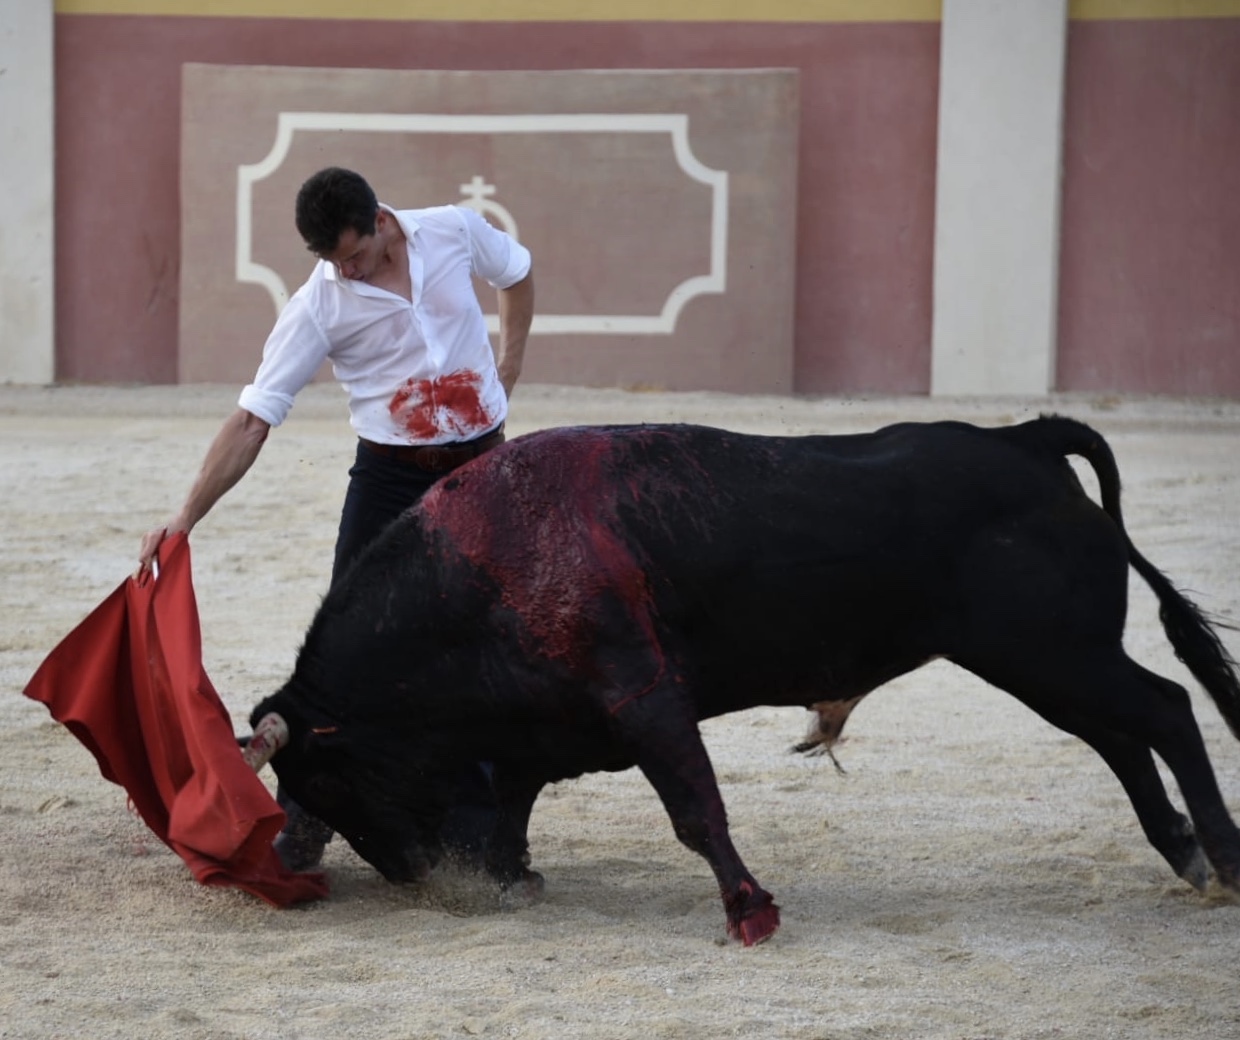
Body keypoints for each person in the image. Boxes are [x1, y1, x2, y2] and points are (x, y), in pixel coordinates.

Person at [139, 166, 534, 870]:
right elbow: (255, 417)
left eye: (351, 254)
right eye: (330, 259)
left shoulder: (451, 229)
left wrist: (511, 360)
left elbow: (518, 273)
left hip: (480, 471)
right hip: (389, 476)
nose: (343, 270)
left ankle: (481, 837)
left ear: (381, 220)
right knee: (345, 652)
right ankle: (308, 816)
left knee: (480, 646)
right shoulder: (319, 303)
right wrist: (184, 517)